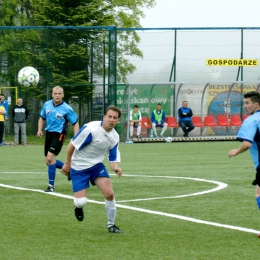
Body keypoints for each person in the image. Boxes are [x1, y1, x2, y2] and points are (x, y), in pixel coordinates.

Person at [61, 105, 123, 233]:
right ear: (104, 117)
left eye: (115, 118)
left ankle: (111, 225)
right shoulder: (90, 129)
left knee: (109, 194)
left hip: (96, 166)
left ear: (118, 121)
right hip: (78, 166)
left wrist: (116, 168)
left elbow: (112, 159)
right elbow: (72, 145)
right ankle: (78, 207)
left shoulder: (115, 137)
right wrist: (68, 163)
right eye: (109, 117)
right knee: (81, 201)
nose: (111, 120)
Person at [37, 86, 79, 192]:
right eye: (55, 93)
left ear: (63, 95)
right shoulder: (47, 105)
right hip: (49, 134)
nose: (57, 95)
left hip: (59, 134)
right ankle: (70, 170)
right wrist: (39, 129)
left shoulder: (67, 108)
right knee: (48, 161)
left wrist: (76, 138)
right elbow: (42, 118)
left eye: (59, 93)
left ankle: (51, 186)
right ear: (52, 95)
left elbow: (75, 123)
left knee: (50, 158)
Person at [228, 91, 260, 222]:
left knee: (258, 193)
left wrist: (236, 151)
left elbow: (246, 143)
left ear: (256, 104)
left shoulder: (252, 120)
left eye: (247, 103)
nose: (244, 106)